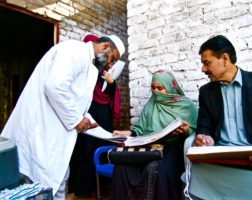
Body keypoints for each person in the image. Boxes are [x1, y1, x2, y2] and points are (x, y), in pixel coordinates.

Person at [0, 34, 125, 199]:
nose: (110, 65)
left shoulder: (90, 66)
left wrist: (97, 127)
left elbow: (77, 104)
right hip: (41, 129)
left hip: (54, 134)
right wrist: (77, 120)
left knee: (58, 180)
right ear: (104, 47)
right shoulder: (74, 50)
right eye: (113, 59)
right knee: (41, 185)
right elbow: (54, 87)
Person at [183, 35, 252, 200]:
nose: (203, 70)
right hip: (222, 157)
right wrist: (204, 137)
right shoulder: (206, 92)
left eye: (207, 63)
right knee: (195, 174)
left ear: (225, 58)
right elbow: (204, 126)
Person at [112, 70, 198, 200]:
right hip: (148, 146)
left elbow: (196, 131)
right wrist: (127, 133)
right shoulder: (151, 103)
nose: (156, 92)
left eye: (160, 88)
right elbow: (140, 129)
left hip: (173, 147)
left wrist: (186, 131)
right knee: (121, 167)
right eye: (153, 88)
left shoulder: (186, 106)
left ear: (170, 87)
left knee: (158, 170)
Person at [68, 34, 123, 197]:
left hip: (103, 112)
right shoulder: (85, 67)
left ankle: (102, 185)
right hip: (86, 110)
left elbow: (111, 94)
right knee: (84, 148)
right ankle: (84, 187)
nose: (110, 62)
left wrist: (111, 82)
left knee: (101, 144)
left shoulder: (105, 70)